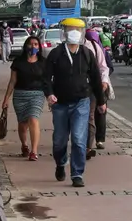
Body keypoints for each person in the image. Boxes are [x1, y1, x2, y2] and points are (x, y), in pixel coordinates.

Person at [43, 18, 106, 188]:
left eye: (77, 29)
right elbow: (46, 78)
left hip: (81, 102)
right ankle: (60, 163)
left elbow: (96, 79)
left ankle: (77, 173)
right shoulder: (56, 54)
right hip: (60, 104)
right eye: (71, 29)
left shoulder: (87, 53)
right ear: (64, 32)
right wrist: (49, 94)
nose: (74, 32)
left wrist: (101, 101)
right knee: (59, 140)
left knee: (79, 139)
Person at [3, 36, 46, 162]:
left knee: (33, 119)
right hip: (20, 95)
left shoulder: (43, 62)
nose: (33, 47)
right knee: (23, 124)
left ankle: (34, 151)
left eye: (36, 44)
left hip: (37, 95)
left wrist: (51, 96)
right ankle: (24, 145)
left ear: (39, 47)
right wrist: (6, 99)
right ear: (26, 45)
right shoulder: (18, 62)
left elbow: (48, 81)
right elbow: (12, 82)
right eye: (31, 44)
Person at [83, 29, 112, 158]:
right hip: (73, 89)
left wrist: (104, 82)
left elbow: (104, 67)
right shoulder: (63, 49)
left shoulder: (95, 47)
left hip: (94, 87)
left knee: (92, 116)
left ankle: (88, 147)